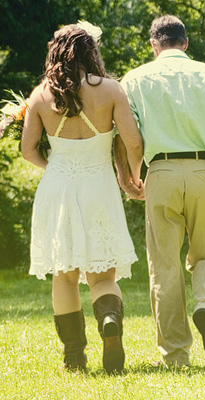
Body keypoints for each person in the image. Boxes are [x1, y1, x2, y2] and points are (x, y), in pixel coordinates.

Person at [116, 14, 205, 367]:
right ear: (185, 43)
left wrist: (129, 175)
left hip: (160, 172)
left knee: (164, 267)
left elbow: (128, 137)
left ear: (154, 45)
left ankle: (176, 355)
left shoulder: (134, 80)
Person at [21, 23, 144, 374]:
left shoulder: (41, 95)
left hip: (57, 188)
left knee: (65, 276)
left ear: (55, 54)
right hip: (99, 186)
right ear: (91, 53)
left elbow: (27, 149)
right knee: (103, 276)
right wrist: (134, 176)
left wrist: (55, 166)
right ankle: (108, 318)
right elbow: (133, 141)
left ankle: (74, 357)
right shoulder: (110, 90)